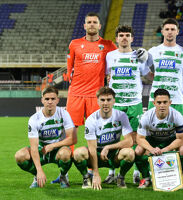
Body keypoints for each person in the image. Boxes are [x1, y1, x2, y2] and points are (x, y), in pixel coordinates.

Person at [57, 12, 117, 184]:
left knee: (102, 135)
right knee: (70, 135)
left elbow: (117, 61)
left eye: (95, 22)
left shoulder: (108, 45)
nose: (91, 25)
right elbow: (69, 69)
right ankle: (64, 173)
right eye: (89, 22)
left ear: (100, 26)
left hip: (96, 96)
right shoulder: (75, 44)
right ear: (84, 26)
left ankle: (96, 171)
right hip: (75, 94)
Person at [105, 25, 153, 184]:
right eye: (121, 35)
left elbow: (149, 76)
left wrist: (150, 59)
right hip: (115, 105)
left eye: (127, 35)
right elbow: (106, 76)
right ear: (117, 39)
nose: (124, 38)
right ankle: (111, 172)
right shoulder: (110, 56)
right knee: (113, 138)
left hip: (134, 104)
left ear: (132, 38)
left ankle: (136, 173)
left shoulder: (139, 56)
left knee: (134, 139)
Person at [73, 87, 134, 190]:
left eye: (109, 100)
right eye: (102, 100)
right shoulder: (91, 119)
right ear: (97, 101)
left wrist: (108, 147)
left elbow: (130, 141)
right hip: (95, 154)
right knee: (78, 153)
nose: (105, 103)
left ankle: (121, 177)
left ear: (114, 101)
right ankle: (86, 177)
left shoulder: (121, 116)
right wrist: (96, 173)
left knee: (130, 153)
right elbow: (92, 148)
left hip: (113, 155)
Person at [14, 86, 75, 188]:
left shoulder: (64, 114)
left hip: (58, 150)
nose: (50, 102)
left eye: (53, 99)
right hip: (41, 150)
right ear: (42, 100)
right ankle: (36, 176)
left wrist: (53, 145)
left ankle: (63, 176)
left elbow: (72, 139)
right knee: (20, 156)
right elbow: (34, 147)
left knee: (65, 153)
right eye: (47, 99)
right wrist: (39, 170)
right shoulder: (34, 119)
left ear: (57, 100)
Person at [135, 89, 183, 188]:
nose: (162, 105)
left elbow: (181, 139)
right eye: (159, 102)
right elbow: (139, 138)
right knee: (138, 150)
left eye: (165, 102)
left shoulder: (177, 116)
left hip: (170, 140)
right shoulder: (146, 116)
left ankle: (179, 180)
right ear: (154, 103)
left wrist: (165, 149)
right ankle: (146, 178)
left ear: (170, 103)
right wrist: (151, 149)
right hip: (153, 139)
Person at [146, 18, 183, 119]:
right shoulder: (153, 51)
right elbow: (142, 69)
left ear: (177, 32)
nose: (170, 32)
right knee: (152, 133)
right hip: (155, 100)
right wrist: (151, 77)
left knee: (178, 134)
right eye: (167, 29)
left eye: (173, 29)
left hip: (176, 99)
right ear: (162, 32)